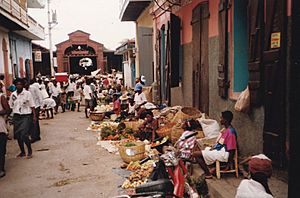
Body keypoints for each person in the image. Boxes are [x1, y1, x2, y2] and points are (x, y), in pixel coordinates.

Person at [192, 110, 237, 179]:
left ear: (226, 120)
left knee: (196, 154)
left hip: (224, 153)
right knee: (203, 149)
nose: (220, 120)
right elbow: (221, 143)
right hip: (220, 150)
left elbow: (231, 150)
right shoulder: (225, 130)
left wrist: (228, 163)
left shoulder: (230, 132)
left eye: (221, 118)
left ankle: (208, 174)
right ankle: (212, 169)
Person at [9, 78, 36, 158]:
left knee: (24, 134)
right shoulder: (13, 94)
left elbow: (32, 105)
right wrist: (8, 117)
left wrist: (34, 116)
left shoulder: (27, 94)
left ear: (23, 85)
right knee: (18, 135)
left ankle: (29, 150)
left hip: (25, 116)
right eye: (17, 84)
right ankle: (22, 152)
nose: (18, 86)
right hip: (16, 116)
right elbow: (11, 106)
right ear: (15, 85)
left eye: (20, 84)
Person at [0, 82, 11, 178]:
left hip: (0, 127)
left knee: (1, 149)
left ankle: (1, 169)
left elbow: (8, 109)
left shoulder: (1, 97)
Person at [29, 79, 43, 143]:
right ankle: (37, 136)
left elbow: (39, 96)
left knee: (34, 121)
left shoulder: (33, 88)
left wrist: (41, 106)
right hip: (29, 108)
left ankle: (34, 137)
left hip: (36, 106)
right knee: (34, 122)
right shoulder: (23, 91)